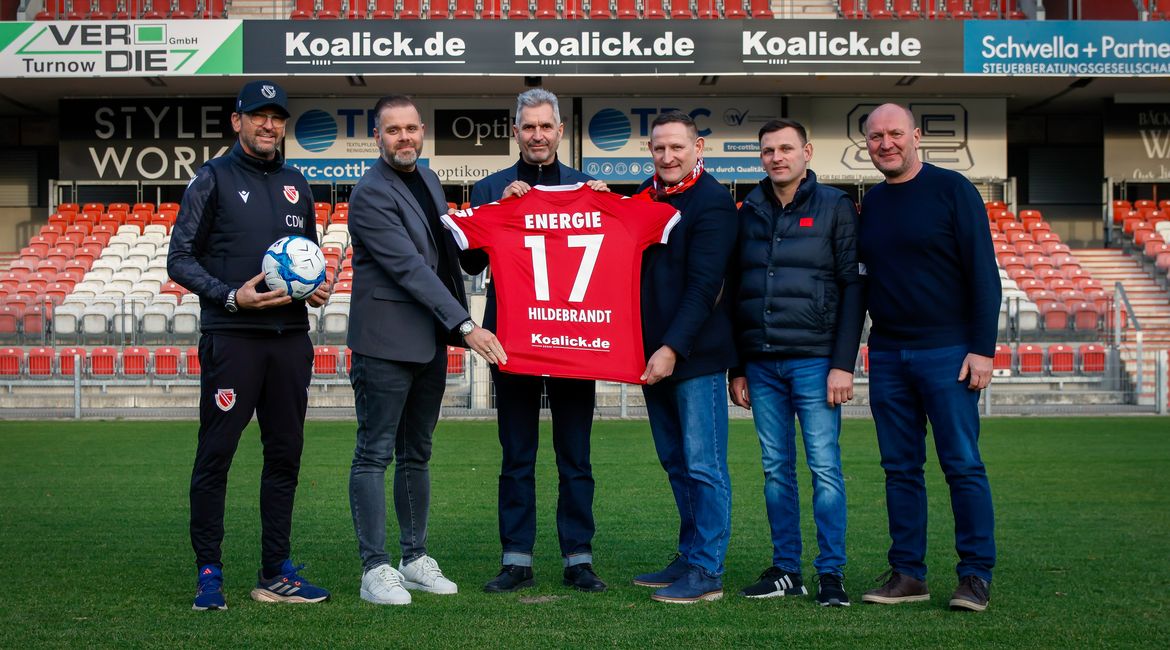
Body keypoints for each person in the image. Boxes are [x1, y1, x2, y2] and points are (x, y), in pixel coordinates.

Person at [170, 79, 332, 610]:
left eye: (278, 117)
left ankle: (276, 570)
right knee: (216, 455)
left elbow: (302, 254)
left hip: (289, 342)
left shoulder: (296, 182)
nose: (269, 125)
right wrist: (230, 297)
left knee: (285, 456)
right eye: (258, 116)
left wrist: (313, 288)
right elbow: (180, 258)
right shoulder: (211, 178)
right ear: (236, 121)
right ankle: (208, 570)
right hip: (233, 340)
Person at [346, 94, 505, 606]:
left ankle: (413, 558)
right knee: (374, 455)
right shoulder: (369, 193)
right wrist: (465, 325)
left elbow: (452, 249)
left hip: (428, 343)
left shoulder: (429, 178)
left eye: (412, 128)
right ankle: (375, 569)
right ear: (378, 136)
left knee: (418, 453)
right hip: (385, 343)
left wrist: (505, 213)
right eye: (394, 130)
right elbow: (410, 268)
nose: (405, 137)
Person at [462, 89, 609, 593]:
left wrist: (604, 207)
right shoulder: (489, 187)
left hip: (573, 340)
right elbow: (470, 264)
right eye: (529, 127)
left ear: (560, 131)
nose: (538, 136)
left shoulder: (586, 187)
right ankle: (516, 558)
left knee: (576, 455)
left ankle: (578, 558)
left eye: (547, 127)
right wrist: (496, 216)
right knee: (516, 454)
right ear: (516, 130)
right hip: (513, 341)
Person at [857, 103, 1000, 612]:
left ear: (915, 136)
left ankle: (975, 575)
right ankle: (908, 574)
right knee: (899, 469)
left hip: (949, 352)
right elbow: (863, 283)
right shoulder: (871, 204)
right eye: (876, 137)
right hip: (889, 354)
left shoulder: (953, 190)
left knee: (962, 465)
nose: (886, 144)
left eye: (895, 133)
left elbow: (984, 273)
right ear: (866, 144)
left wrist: (982, 349)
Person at [729, 119, 864, 607]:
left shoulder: (835, 207)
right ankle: (787, 569)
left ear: (806, 151)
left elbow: (854, 286)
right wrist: (737, 366)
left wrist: (843, 363)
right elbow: (737, 291)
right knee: (775, 469)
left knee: (825, 469)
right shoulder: (747, 210)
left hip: (815, 361)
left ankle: (831, 574)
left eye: (786, 148)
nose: (777, 157)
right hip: (761, 363)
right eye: (768, 150)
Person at [632, 111, 738, 604]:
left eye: (677, 147)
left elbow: (705, 287)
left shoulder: (714, 202)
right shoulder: (646, 199)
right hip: (652, 359)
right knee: (676, 463)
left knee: (704, 465)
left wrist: (672, 348)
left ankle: (707, 570)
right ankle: (690, 552)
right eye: (659, 149)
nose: (668, 157)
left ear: (699, 148)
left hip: (692, 358)